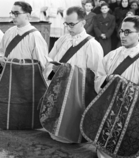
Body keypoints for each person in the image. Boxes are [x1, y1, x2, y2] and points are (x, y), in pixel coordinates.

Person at [94, 15, 139, 158]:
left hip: (133, 114)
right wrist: (107, 79)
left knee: (134, 151)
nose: (122, 35)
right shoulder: (112, 55)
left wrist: (124, 87)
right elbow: (99, 77)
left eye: (127, 32)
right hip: (111, 110)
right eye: (121, 31)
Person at [41, 6, 104, 144]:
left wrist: (68, 72)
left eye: (72, 24)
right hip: (58, 87)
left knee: (71, 118)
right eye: (66, 23)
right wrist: (53, 68)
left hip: (77, 92)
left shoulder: (92, 45)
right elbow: (50, 59)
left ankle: (72, 135)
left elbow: (95, 75)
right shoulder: (63, 39)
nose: (68, 27)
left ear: (83, 22)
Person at [0, 1, 48, 130]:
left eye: (16, 13)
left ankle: (27, 123)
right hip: (10, 77)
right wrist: (0, 58)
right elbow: (1, 51)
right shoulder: (10, 32)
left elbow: (42, 63)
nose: (12, 16)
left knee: (24, 105)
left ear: (28, 16)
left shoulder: (35, 36)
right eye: (12, 13)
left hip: (26, 82)